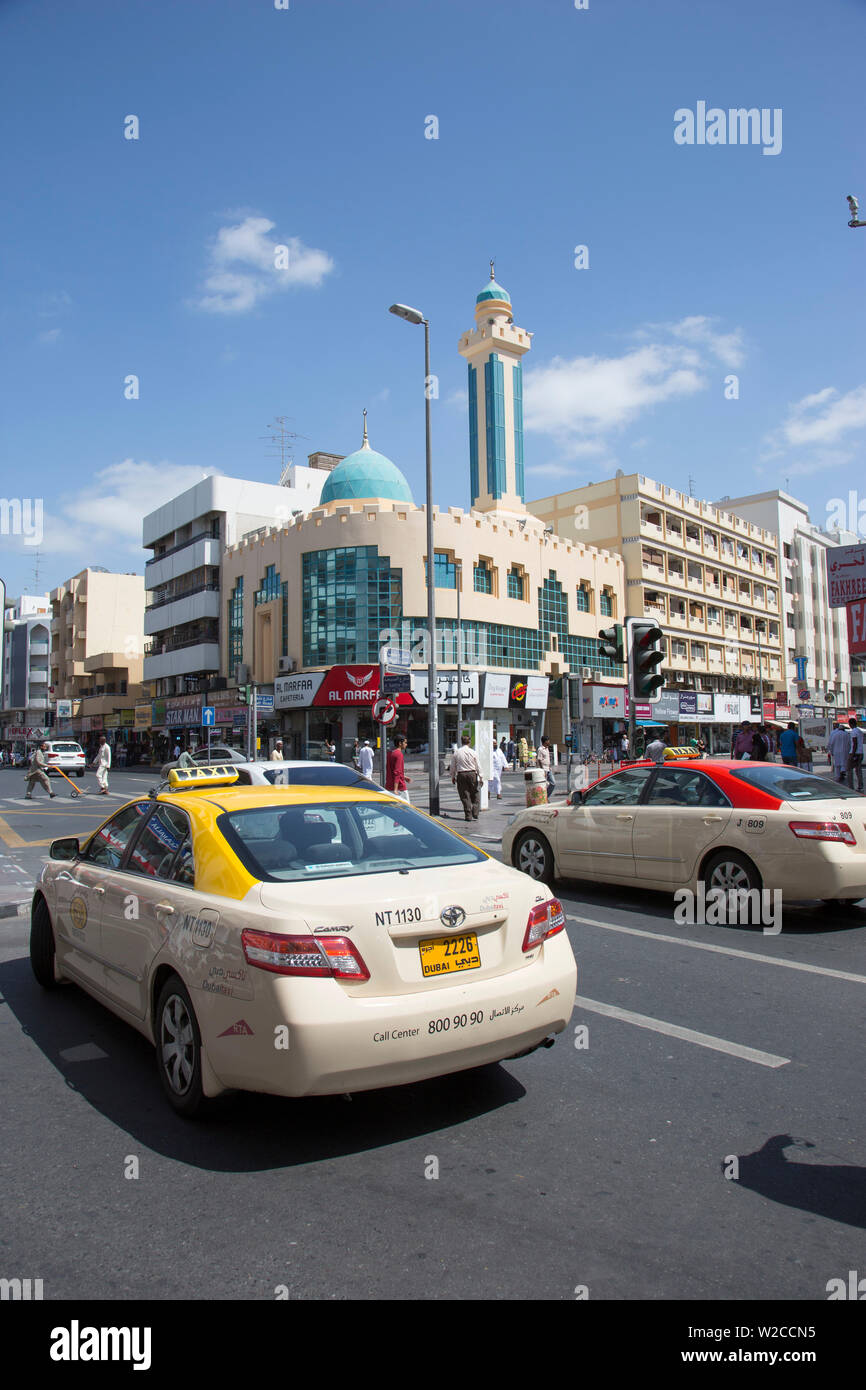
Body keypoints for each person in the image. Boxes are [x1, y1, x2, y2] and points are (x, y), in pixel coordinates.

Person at [450, 734, 483, 821]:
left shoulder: (457, 752)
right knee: (475, 793)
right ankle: (475, 812)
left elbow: (453, 766)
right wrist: (481, 777)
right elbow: (478, 765)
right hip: (472, 774)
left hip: (461, 774)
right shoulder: (473, 752)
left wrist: (453, 776)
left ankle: (468, 815)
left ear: (461, 742)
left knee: (464, 795)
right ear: (469, 742)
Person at [386, 735, 411, 802]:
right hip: (399, 787)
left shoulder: (389, 753)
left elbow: (392, 770)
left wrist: (404, 777)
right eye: (405, 742)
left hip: (389, 785)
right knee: (407, 809)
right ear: (400, 743)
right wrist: (395, 789)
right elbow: (397, 772)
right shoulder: (399, 754)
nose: (406, 744)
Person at [847, 717, 864, 792]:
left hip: (854, 753)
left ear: (850, 724)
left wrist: (853, 754)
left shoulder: (853, 731)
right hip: (860, 752)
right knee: (858, 770)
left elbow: (855, 743)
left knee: (849, 769)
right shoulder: (860, 731)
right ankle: (860, 785)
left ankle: (850, 786)